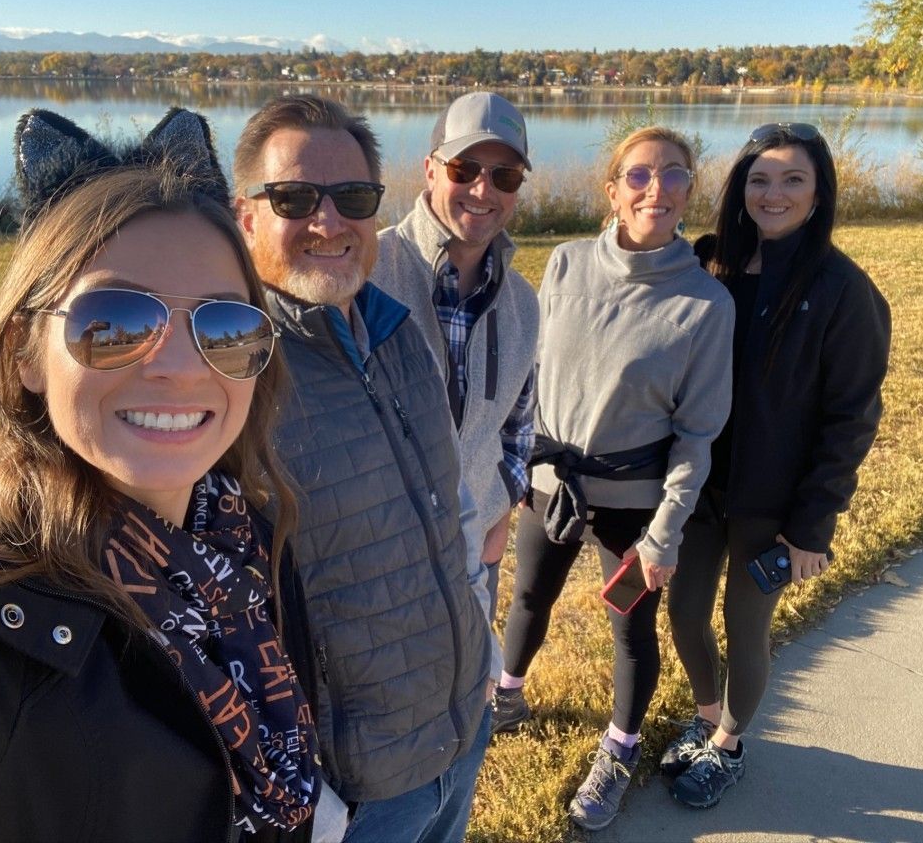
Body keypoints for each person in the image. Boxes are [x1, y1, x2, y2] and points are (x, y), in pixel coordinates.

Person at [0, 108, 321, 841]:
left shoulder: (250, 536)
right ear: (25, 353)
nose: (179, 368)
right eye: (113, 321)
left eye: (222, 326)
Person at [233, 95, 492, 843]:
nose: (328, 221)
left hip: (458, 730)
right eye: (292, 198)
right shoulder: (233, 373)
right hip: (354, 789)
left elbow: (447, 512)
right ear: (245, 216)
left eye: (352, 198)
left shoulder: (398, 332)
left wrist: (481, 648)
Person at [495, 126, 734, 831]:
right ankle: (505, 696)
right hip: (551, 484)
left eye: (672, 175)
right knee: (528, 597)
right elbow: (530, 374)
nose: (654, 188)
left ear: (690, 189)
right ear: (613, 190)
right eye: (637, 175)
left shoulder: (704, 305)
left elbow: (697, 435)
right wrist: (525, 462)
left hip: (635, 508)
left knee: (629, 629)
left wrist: (663, 536)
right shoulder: (566, 264)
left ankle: (620, 749)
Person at [663, 122, 891, 809]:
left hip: (772, 502)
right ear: (740, 188)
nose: (774, 193)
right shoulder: (708, 262)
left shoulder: (843, 290)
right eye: (760, 178)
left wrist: (812, 526)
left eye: (793, 179)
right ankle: (704, 716)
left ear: (818, 192)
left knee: (746, 627)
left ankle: (728, 743)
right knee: (682, 613)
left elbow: (850, 418)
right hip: (698, 486)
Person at [369, 91, 539, 638]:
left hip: (475, 555)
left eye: (505, 176)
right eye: (464, 168)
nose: (483, 190)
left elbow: (519, 423)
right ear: (430, 169)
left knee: (468, 699)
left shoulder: (523, 302)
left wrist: (500, 508)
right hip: (375, 561)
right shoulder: (365, 273)